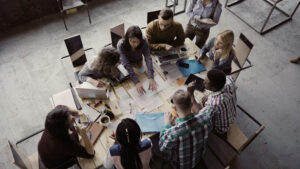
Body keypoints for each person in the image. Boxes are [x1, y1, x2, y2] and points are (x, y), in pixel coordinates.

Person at [159, 90, 212, 169]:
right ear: (191, 104)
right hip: (198, 158)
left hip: (181, 165)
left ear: (174, 107)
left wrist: (167, 124)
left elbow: (162, 148)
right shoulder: (206, 118)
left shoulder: (172, 133)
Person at [187, 69, 237, 139]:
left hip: (221, 129)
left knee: (194, 117)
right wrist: (211, 94)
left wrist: (191, 94)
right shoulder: (229, 80)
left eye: (206, 82)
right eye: (205, 78)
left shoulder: (214, 104)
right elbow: (234, 87)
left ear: (214, 87)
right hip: (232, 114)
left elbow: (199, 116)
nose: (203, 82)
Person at [118, 25, 157, 95]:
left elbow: (148, 58)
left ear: (140, 40)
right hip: (126, 64)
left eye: (137, 41)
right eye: (132, 41)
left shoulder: (144, 41)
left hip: (138, 61)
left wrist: (151, 76)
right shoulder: (121, 45)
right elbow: (126, 63)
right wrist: (136, 82)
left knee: (143, 76)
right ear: (127, 38)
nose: (135, 44)